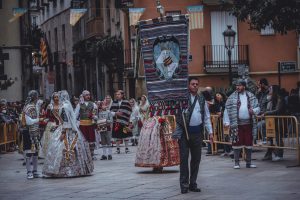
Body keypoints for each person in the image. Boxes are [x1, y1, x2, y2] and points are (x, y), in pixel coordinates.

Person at [173, 77, 213, 194]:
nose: (195, 86)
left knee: (196, 159)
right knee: (184, 160)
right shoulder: (182, 99)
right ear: (188, 85)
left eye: (196, 84)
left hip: (197, 133)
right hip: (184, 133)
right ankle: (184, 185)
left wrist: (210, 132)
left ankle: (193, 183)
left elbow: (206, 117)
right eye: (192, 84)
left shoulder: (202, 99)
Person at [42, 90, 94, 177]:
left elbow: (66, 120)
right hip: (72, 130)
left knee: (62, 148)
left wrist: (63, 132)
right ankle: (78, 169)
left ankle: (65, 170)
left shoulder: (64, 106)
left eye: (59, 97)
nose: (58, 98)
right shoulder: (68, 105)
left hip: (65, 129)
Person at [223, 79, 260, 169]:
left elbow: (257, 107)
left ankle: (249, 163)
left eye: (239, 85)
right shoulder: (231, 97)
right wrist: (226, 122)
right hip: (237, 124)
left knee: (249, 143)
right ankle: (236, 163)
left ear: (244, 86)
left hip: (248, 124)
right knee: (236, 143)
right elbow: (227, 110)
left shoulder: (251, 96)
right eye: (236, 86)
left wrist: (254, 111)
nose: (237, 87)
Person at [22, 90, 43, 179]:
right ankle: (29, 172)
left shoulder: (34, 106)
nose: (37, 97)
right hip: (28, 132)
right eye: (36, 96)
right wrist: (39, 120)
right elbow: (28, 122)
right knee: (29, 153)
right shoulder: (28, 107)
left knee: (35, 152)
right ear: (34, 97)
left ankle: (35, 171)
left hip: (35, 132)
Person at [75, 90, 98, 160]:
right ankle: (84, 154)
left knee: (91, 139)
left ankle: (92, 154)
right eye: (86, 95)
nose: (88, 96)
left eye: (89, 95)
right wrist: (76, 123)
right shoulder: (79, 105)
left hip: (90, 124)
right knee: (84, 139)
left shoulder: (93, 104)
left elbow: (96, 114)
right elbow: (75, 115)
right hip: (82, 125)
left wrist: (94, 117)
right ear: (83, 96)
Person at [40, 92, 61, 158]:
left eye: (57, 97)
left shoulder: (62, 105)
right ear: (53, 98)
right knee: (50, 139)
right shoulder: (50, 106)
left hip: (60, 124)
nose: (56, 98)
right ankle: (50, 155)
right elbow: (47, 116)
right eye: (55, 97)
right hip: (51, 124)